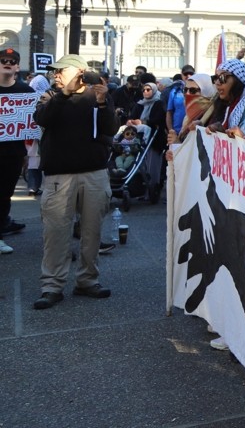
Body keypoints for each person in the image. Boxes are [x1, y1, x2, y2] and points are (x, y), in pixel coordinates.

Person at [33, 54, 117, 308]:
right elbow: (42, 119)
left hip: (94, 172)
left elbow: (110, 129)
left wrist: (103, 103)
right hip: (59, 175)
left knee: (92, 232)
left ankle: (88, 281)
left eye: (61, 71)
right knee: (56, 232)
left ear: (79, 71)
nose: (56, 75)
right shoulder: (50, 96)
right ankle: (52, 286)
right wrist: (64, 94)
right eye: (54, 72)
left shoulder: (97, 96)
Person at [0, 47, 34, 246]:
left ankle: (3, 223)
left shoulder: (26, 92)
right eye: (3, 59)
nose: (7, 62)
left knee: (5, 193)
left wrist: (29, 154)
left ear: (17, 67)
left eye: (12, 61)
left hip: (13, 153)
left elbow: (31, 125)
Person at [128, 76, 169, 202]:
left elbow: (159, 119)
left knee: (153, 166)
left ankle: (153, 189)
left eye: (148, 90)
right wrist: (131, 121)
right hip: (139, 138)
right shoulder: (139, 104)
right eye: (144, 90)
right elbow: (133, 116)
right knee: (139, 165)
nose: (146, 92)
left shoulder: (159, 103)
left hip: (154, 139)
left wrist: (144, 121)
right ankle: (140, 189)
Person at [203, 58, 245, 130]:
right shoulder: (220, 104)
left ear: (238, 80)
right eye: (216, 78)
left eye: (222, 77)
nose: (217, 83)